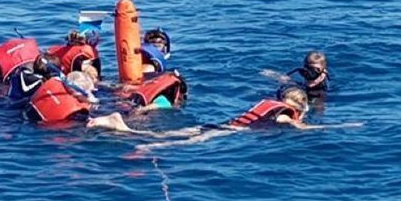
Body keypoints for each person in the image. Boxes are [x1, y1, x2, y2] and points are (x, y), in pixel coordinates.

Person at [87, 84, 359, 147]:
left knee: (180, 134)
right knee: (185, 143)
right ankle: (130, 133)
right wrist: (339, 126)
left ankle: (119, 126)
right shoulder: (284, 116)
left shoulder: (269, 103)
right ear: (297, 107)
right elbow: (296, 127)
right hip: (230, 131)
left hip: (223, 123)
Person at [261, 50, 330, 97]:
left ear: (323, 71)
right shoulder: (303, 72)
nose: (310, 73)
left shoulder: (323, 79)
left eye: (315, 70)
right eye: (308, 68)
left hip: (318, 94)